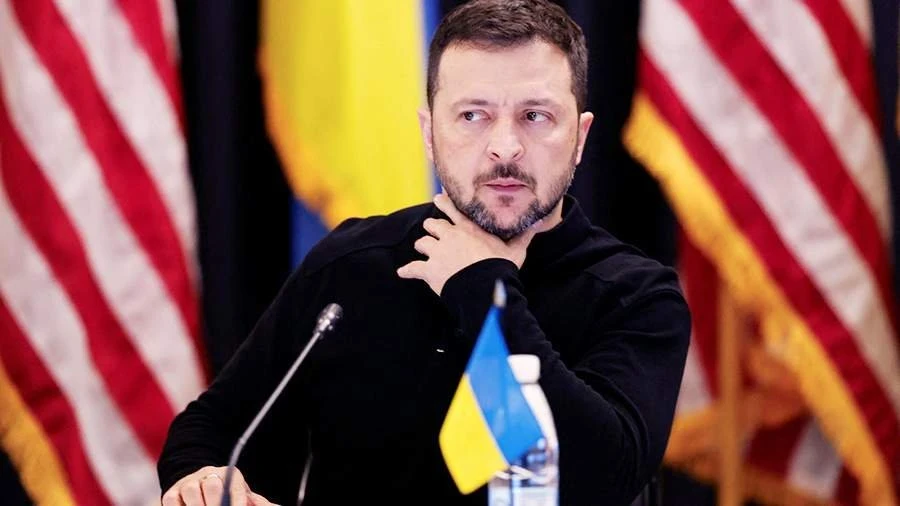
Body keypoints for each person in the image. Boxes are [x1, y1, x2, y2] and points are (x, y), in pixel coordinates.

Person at [158, 1, 690, 505]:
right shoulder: (351, 265)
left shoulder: (637, 296)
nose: (505, 147)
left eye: (535, 116)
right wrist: (202, 477)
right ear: (429, 133)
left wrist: (483, 288)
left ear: (580, 137)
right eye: (473, 116)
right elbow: (209, 432)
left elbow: (602, 480)